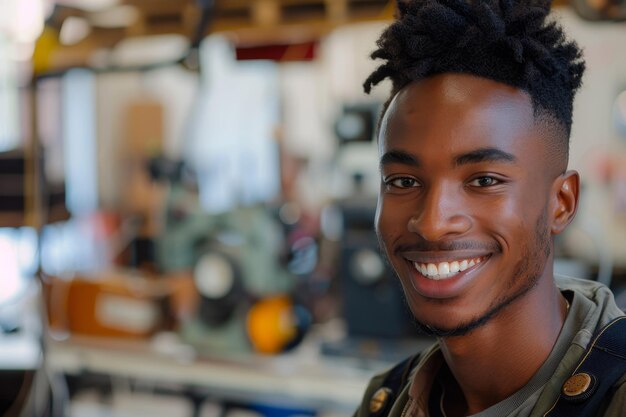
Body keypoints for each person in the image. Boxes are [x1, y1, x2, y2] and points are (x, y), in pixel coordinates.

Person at [353, 0, 626, 416]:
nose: (432, 224)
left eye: (484, 181)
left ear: (562, 202)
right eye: (403, 182)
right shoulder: (388, 400)